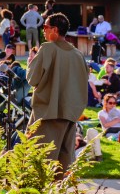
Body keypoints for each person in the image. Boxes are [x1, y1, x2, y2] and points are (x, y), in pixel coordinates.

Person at [27, 12, 89, 174]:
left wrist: (30, 64)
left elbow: (32, 79)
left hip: (48, 114)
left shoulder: (47, 49)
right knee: (63, 166)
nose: (44, 31)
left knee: (38, 165)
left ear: (54, 29)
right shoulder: (78, 54)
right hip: (70, 116)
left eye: (45, 27)